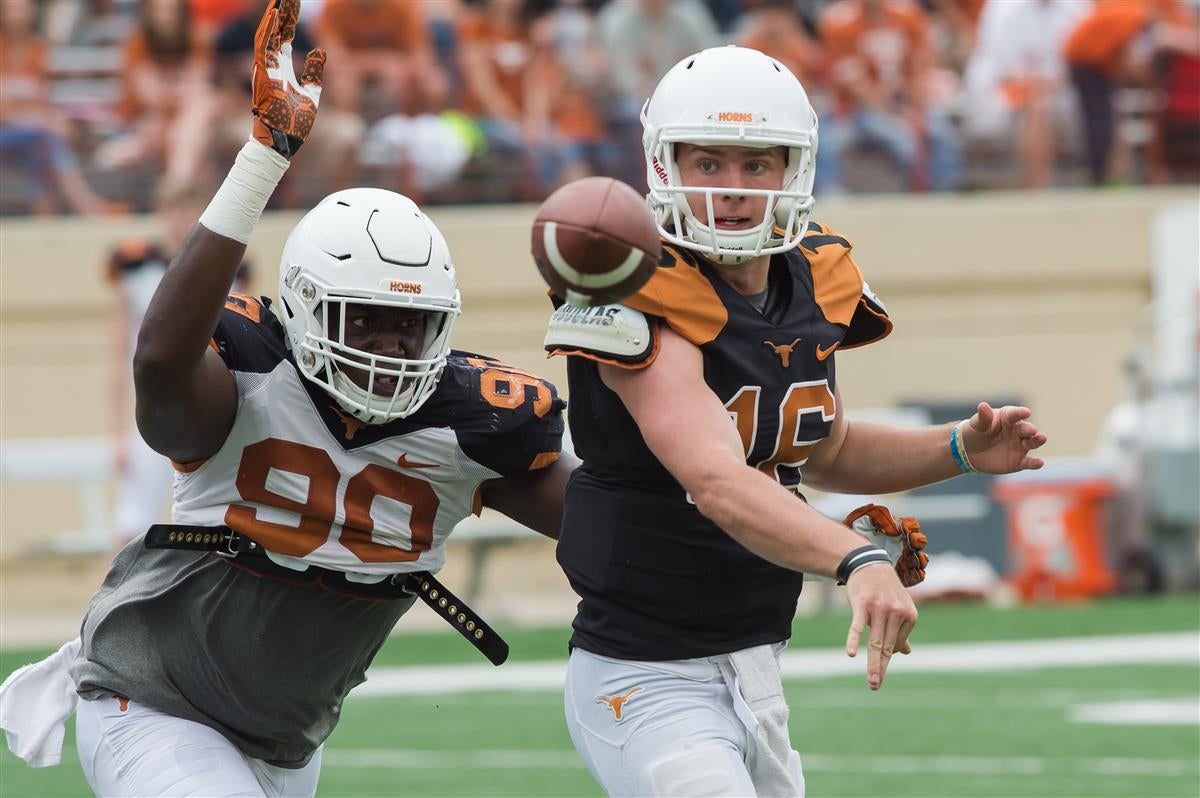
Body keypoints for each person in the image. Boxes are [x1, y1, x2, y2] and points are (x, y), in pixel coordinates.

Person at [0, 1, 574, 795]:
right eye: (365, 322)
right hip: (157, 702)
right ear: (303, 307)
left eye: (413, 326)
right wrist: (263, 158)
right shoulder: (246, 377)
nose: (391, 346)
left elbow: (612, 531)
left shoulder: (473, 422)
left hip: (286, 743)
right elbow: (160, 367)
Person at [544, 45, 1048, 797]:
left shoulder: (814, 274)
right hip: (644, 671)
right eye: (708, 164)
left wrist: (957, 450)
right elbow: (713, 478)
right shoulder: (636, 287)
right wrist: (856, 557)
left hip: (754, 658)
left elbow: (824, 445)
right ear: (663, 164)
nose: (733, 190)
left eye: (757, 165)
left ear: (796, 170)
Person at [106, 180, 254, 551]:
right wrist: (116, 430)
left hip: (208, 402)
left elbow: (247, 346)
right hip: (152, 405)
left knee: (210, 517)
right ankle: (111, 601)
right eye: (173, 211)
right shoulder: (135, 266)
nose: (180, 220)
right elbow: (118, 350)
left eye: (189, 210)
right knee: (134, 519)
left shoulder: (229, 267)